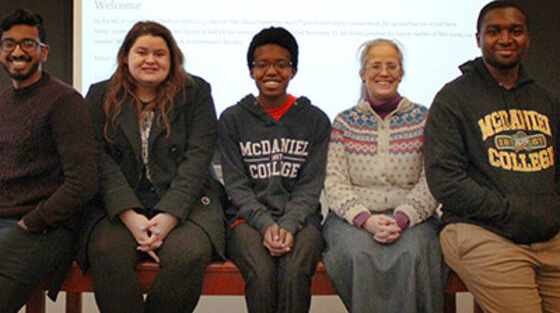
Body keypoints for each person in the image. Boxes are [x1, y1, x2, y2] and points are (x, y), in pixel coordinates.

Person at [424, 0, 560, 313]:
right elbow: (446, 182)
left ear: (528, 37)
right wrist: (511, 211)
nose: (505, 39)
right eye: (494, 31)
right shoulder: (453, 99)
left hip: (549, 237)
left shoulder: (547, 101)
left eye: (516, 31)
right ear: (478, 38)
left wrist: (548, 212)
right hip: (482, 232)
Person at [81, 21, 225, 313]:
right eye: (142, 52)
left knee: (188, 254)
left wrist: (170, 214)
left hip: (186, 203)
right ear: (126, 56)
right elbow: (96, 158)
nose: (150, 60)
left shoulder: (195, 92)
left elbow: (198, 158)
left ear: (172, 59)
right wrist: (128, 214)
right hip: (118, 205)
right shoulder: (99, 95)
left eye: (160, 53)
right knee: (107, 252)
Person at [322, 39, 447, 312]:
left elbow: (433, 178)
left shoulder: (425, 119)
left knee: (415, 253)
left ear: (401, 74)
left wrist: (402, 218)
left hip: (415, 218)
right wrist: (365, 220)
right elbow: (334, 181)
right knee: (358, 254)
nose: (384, 72)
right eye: (375, 66)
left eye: (391, 66)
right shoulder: (344, 122)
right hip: (353, 219)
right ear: (362, 74)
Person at [218, 26, 330, 313]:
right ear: (251, 71)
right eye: (262, 64)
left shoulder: (315, 120)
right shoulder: (232, 119)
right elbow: (236, 186)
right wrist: (267, 225)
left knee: (294, 274)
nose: (272, 71)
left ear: (293, 71)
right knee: (262, 274)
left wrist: (288, 225)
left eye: (282, 64)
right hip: (246, 222)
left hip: (302, 221)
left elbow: (310, 186)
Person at [0, 8, 97, 312]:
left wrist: (31, 222)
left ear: (44, 52)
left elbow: (82, 183)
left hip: (42, 228)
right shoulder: (3, 102)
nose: (17, 51)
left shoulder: (65, 102)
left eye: (28, 44)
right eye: (8, 44)